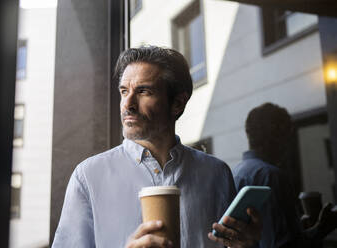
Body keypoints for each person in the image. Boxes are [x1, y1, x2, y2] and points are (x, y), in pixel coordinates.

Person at [52, 46, 262, 248]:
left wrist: (245, 245)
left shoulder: (216, 173)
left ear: (177, 104)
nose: (128, 104)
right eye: (124, 91)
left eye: (143, 91)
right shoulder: (88, 176)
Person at [232, 103, 301, 248]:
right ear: (276, 134)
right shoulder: (271, 176)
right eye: (287, 133)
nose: (288, 143)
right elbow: (282, 243)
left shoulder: (236, 172)